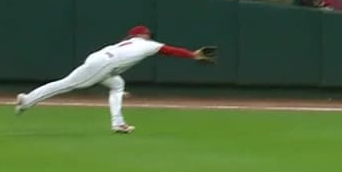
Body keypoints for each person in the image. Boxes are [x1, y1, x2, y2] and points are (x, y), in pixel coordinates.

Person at [14, 25, 216, 133]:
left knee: (118, 84)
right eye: (147, 34)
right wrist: (192, 54)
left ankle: (118, 123)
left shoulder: (127, 42)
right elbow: (169, 51)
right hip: (104, 65)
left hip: (99, 60)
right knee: (65, 85)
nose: (149, 35)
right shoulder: (145, 43)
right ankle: (26, 100)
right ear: (143, 35)